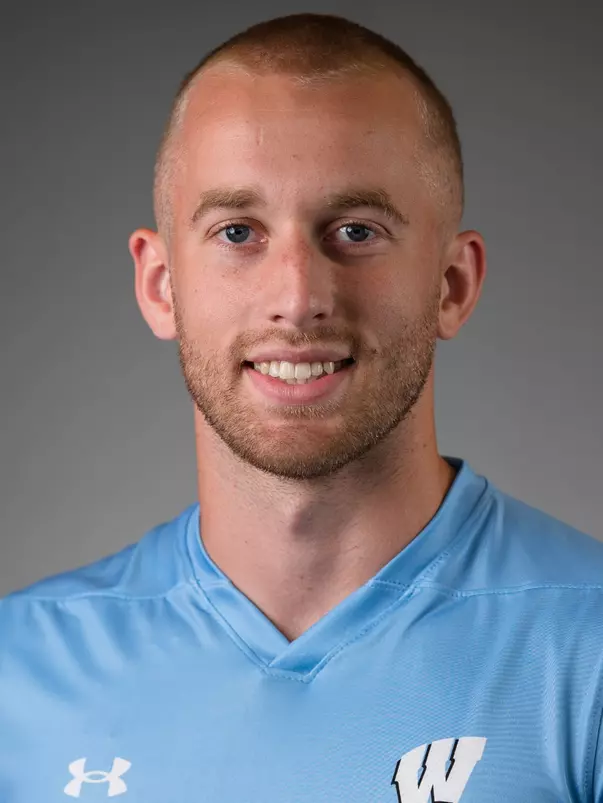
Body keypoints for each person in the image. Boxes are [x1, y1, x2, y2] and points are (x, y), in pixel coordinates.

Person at [1, 12, 601, 802]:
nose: (297, 296)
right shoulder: (19, 670)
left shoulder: (586, 651)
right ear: (160, 285)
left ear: (451, 285)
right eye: (237, 232)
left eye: (355, 230)